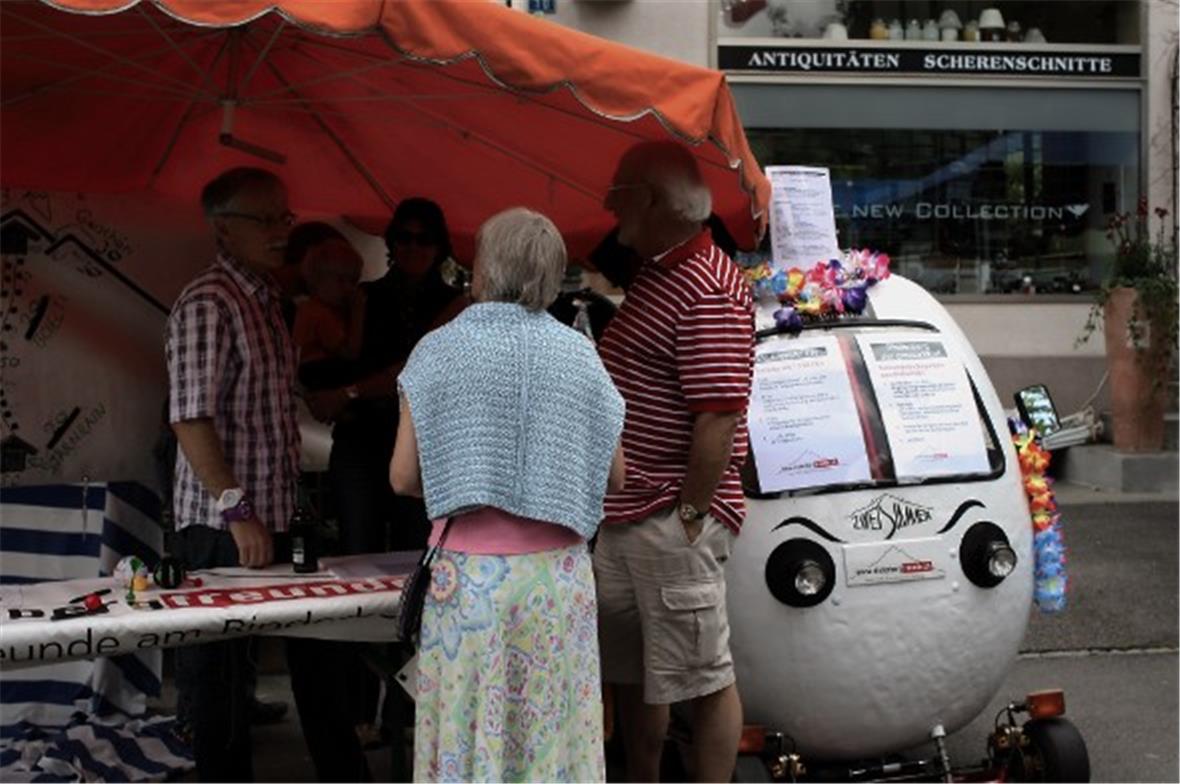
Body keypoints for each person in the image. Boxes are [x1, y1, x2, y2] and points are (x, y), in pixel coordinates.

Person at [390, 207, 627, 782]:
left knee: (470, 734)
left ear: (481, 268)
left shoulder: (436, 351)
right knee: (551, 734)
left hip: (468, 584)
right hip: (558, 582)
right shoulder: (580, 355)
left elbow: (401, 478)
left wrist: (470, 472)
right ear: (553, 275)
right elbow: (615, 479)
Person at [165, 167, 367, 782]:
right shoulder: (210, 301)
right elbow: (190, 418)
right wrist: (236, 507)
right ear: (224, 228)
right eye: (267, 218)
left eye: (285, 217)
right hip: (224, 524)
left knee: (318, 664)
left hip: (275, 516)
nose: (284, 230)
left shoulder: (265, 300)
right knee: (221, 689)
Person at [594, 142, 755, 783]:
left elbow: (717, 416)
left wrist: (689, 512)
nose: (608, 207)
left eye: (619, 194)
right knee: (636, 677)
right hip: (635, 512)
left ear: (654, 201)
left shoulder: (708, 286)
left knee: (703, 679)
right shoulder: (660, 273)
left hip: (667, 514)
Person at [291, 233, 366, 390]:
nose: (349, 288)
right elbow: (350, 352)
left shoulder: (308, 308)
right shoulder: (318, 312)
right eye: (341, 280)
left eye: (353, 281)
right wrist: (358, 311)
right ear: (316, 278)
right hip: (317, 372)